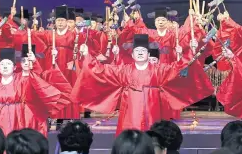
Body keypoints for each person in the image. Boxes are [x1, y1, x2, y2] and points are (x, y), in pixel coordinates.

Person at [73, 34, 213, 135]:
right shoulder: (124, 70)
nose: (140, 53)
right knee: (130, 138)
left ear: (148, 54)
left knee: (153, 136)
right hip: (130, 111)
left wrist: (191, 52)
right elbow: (102, 70)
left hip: (152, 110)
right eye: (137, 51)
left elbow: (178, 68)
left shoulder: (159, 70)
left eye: (143, 51)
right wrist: (87, 56)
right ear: (132, 55)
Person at [0, 48, 66, 137]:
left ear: (14, 67)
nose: (5, 66)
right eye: (2, 64)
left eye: (8, 64)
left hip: (19, 117)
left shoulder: (22, 80)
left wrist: (34, 62)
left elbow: (37, 80)